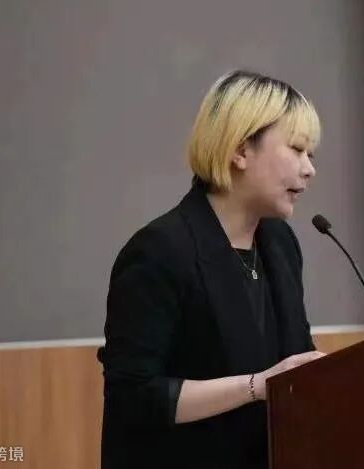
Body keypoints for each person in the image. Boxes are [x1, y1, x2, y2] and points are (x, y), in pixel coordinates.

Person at [97, 69, 326, 469]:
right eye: (296, 149)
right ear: (240, 151)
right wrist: (255, 386)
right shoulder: (160, 250)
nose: (309, 169)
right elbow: (133, 396)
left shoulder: (280, 243)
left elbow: (296, 360)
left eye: (311, 155)